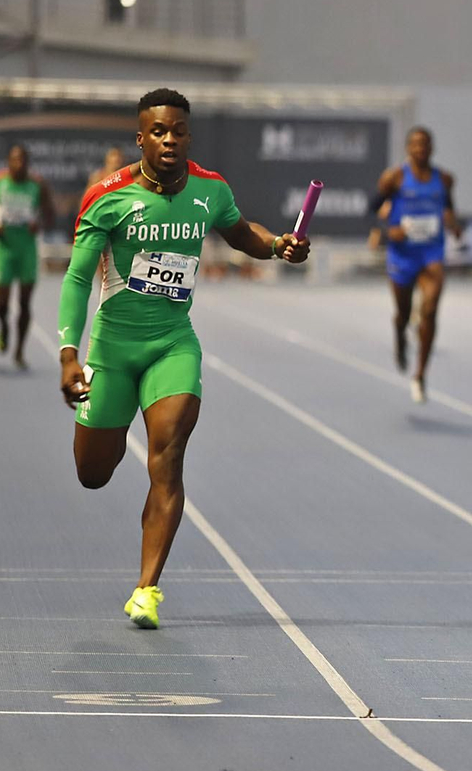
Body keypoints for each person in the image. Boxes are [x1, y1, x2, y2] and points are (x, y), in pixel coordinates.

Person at [57, 88, 311, 628]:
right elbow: (78, 277)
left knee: (167, 457)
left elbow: (242, 235)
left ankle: (147, 590)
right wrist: (68, 353)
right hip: (112, 350)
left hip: (173, 343)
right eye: (158, 131)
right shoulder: (108, 195)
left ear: (187, 135)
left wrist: (277, 246)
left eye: (178, 131)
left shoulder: (210, 189)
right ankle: (106, 443)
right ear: (141, 137)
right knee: (92, 473)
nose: (169, 139)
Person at [367, 126, 463, 403]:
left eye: (425, 144)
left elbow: (449, 209)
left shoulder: (444, 179)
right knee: (404, 311)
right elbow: (371, 210)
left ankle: (420, 373)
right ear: (408, 148)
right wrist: (387, 232)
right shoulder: (394, 177)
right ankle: (400, 334)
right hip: (402, 254)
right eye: (416, 145)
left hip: (431, 252)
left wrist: (454, 226)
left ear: (432, 148)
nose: (421, 149)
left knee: (431, 310)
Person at [0, 143, 56, 368]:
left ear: (27, 163)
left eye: (23, 160)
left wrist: (38, 223)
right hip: (4, 247)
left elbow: (50, 214)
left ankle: (19, 351)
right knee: (1, 304)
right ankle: (3, 326)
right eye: (15, 160)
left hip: (27, 250)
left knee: (24, 302)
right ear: (8, 162)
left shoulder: (38, 185)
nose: (19, 164)